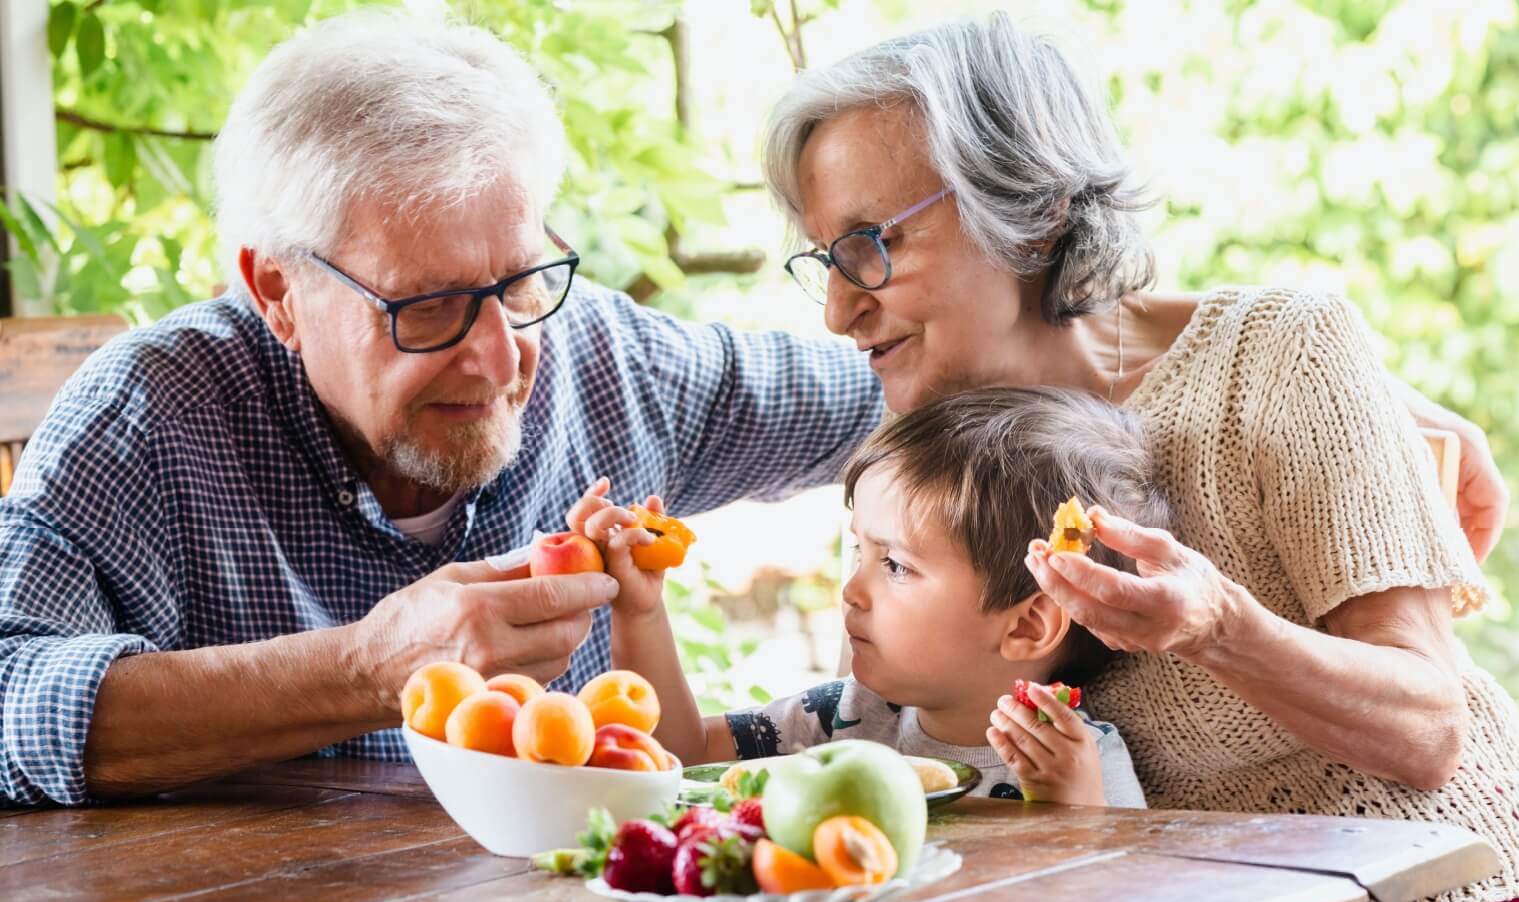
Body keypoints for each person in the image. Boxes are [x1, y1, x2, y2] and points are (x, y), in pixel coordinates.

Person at [760, 13, 1519, 902]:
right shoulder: (924, 431)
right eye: (824, 260)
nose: (840, 310)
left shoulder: (1278, 354)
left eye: (872, 245)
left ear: (1030, 210)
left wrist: (1216, 627)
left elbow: (1425, 730)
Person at [0, 12, 883, 808]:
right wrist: (367, 669)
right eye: (427, 305)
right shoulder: (151, 414)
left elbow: (893, 392)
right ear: (277, 290)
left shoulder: (611, 362)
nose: (500, 358)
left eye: (523, 281)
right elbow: (9, 701)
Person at [568, 386, 1162, 807]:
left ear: (1028, 626)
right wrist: (640, 610)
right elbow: (683, 756)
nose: (852, 591)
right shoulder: (848, 717)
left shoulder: (1080, 760)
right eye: (861, 553)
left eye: (896, 565)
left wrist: (1077, 811)